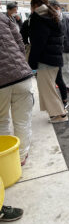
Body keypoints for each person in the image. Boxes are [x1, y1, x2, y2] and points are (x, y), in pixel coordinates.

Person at [0, 12, 33, 166]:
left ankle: (6, 157)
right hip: (21, 75)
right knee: (22, 120)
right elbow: (20, 41)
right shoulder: (3, 17)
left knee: (1, 121)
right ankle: (21, 156)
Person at [28, 0, 68, 123]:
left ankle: (60, 115)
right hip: (55, 58)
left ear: (34, 6)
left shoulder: (38, 18)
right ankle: (56, 113)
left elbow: (38, 43)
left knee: (48, 89)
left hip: (45, 59)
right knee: (48, 88)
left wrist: (32, 63)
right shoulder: (52, 15)